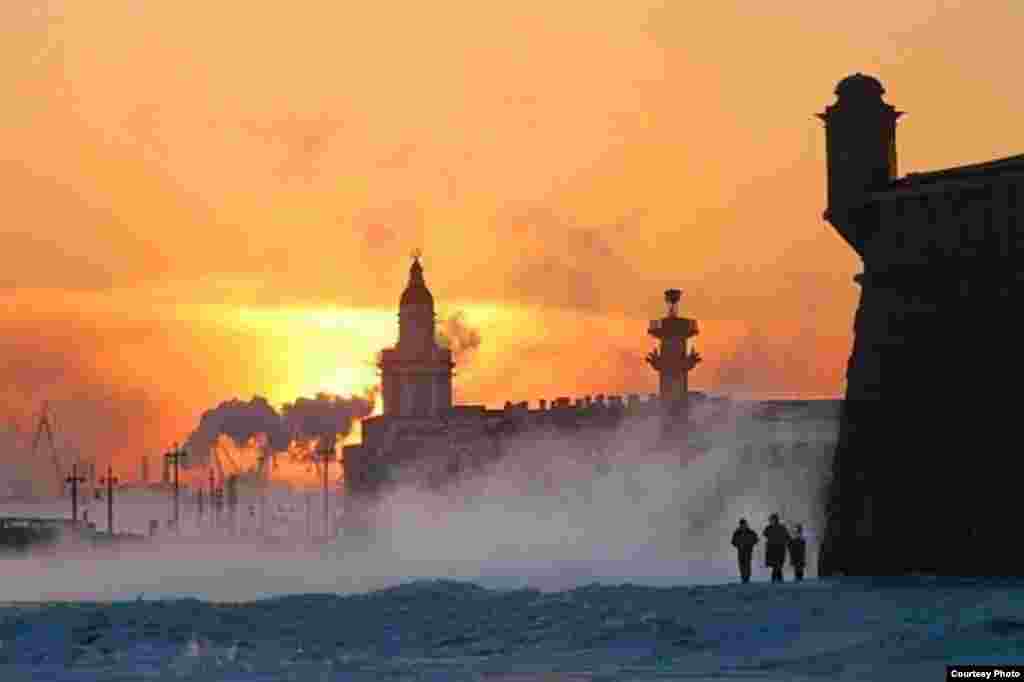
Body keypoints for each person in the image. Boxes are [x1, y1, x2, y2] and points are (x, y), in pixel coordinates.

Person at [763, 513, 791, 583]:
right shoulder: (772, 528)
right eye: (771, 520)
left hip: (778, 549)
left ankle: (775, 579)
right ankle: (779, 579)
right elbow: (765, 534)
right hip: (775, 549)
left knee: (777, 565)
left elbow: (787, 537)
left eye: (772, 520)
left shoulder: (778, 528)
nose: (771, 521)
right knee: (777, 566)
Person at [731, 518, 759, 583]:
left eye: (744, 524)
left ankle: (747, 578)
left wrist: (750, 544)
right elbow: (733, 542)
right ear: (740, 525)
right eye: (742, 525)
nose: (743, 526)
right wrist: (738, 545)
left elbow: (756, 539)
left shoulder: (750, 532)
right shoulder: (737, 532)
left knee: (747, 565)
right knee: (741, 565)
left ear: (746, 524)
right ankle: (743, 578)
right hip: (740, 551)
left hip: (748, 551)